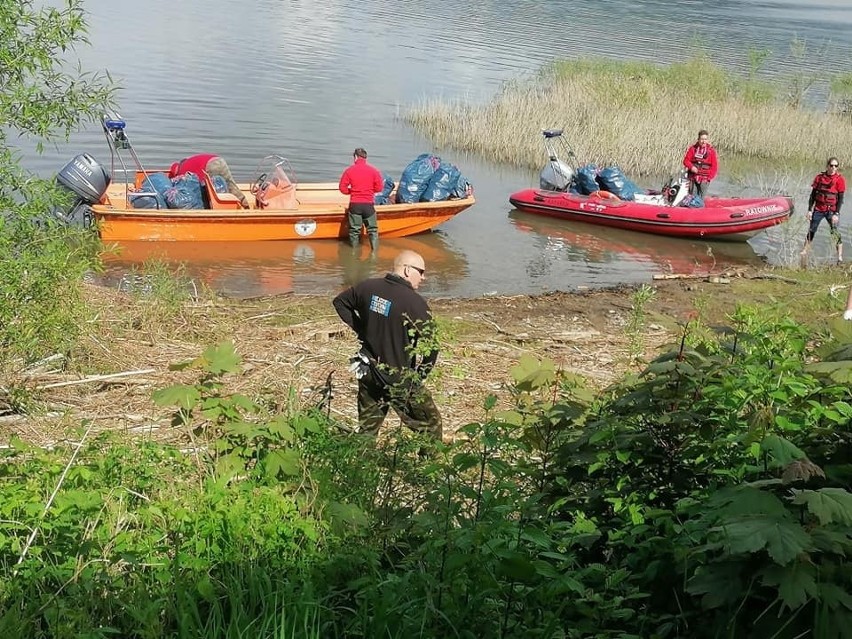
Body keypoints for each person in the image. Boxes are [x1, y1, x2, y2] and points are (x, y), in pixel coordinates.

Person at [332, 249, 442, 439]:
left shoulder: (368, 287)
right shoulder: (415, 303)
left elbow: (340, 302)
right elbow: (432, 346)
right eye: (421, 272)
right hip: (397, 377)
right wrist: (420, 376)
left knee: (368, 429)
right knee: (430, 425)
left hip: (368, 370)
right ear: (407, 270)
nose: (423, 278)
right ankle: (425, 467)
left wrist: (361, 329)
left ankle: (361, 465)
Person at [801, 157, 846, 264]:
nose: (834, 168)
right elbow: (812, 196)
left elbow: (840, 199)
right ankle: (804, 252)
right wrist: (809, 210)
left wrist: (837, 213)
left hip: (832, 210)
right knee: (811, 231)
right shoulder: (819, 178)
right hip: (818, 209)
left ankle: (839, 257)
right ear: (827, 166)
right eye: (831, 165)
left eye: (836, 166)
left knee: (835, 232)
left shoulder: (840, 179)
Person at [338, 148, 384, 252]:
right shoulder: (374, 171)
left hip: (355, 205)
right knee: (373, 230)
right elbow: (379, 188)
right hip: (368, 205)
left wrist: (351, 191)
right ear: (365, 158)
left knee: (354, 230)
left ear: (355, 157)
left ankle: (354, 252)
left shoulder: (349, 171)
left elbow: (342, 188)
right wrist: (369, 191)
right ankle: (374, 252)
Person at [169, 153, 250, 208]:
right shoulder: (188, 161)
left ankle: (222, 209)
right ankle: (245, 204)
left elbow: (197, 184)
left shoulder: (182, 172)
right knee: (230, 184)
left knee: (212, 191)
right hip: (218, 160)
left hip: (210, 166)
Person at [682, 129, 718, 198]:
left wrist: (709, 178)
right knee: (692, 197)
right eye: (702, 139)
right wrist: (692, 167)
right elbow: (686, 161)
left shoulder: (711, 151)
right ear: (698, 139)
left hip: (705, 179)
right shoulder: (692, 149)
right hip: (693, 178)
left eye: (705, 139)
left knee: (701, 199)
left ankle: (701, 206)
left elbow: (715, 167)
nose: (704, 141)